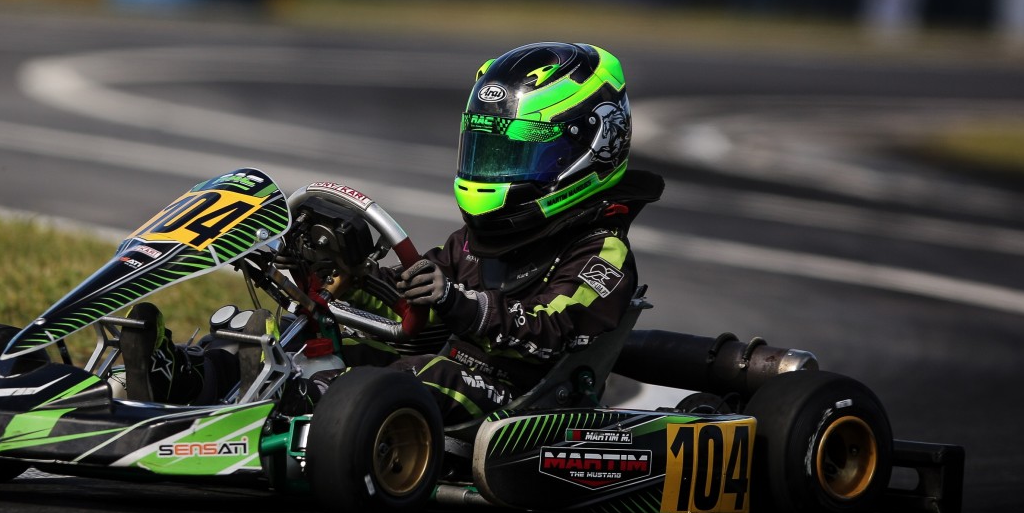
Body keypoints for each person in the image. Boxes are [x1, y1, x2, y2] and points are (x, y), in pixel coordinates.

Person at [122, 42, 662, 424]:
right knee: (294, 337)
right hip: (433, 371)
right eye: (488, 151)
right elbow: (411, 307)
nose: (494, 169)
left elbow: (548, 332)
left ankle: (290, 413)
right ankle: (190, 377)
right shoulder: (475, 243)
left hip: (515, 402)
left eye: (516, 153)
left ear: (589, 148)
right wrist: (340, 273)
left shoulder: (602, 253)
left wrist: (456, 302)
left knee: (403, 380)